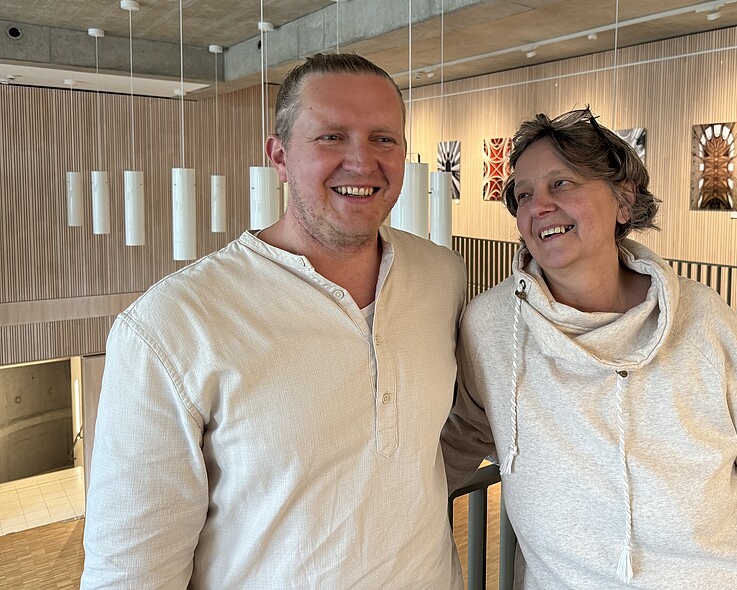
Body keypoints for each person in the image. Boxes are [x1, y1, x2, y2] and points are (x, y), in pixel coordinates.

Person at [82, 53, 466, 589]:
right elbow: (130, 571)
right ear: (279, 157)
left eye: (384, 139)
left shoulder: (442, 276)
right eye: (332, 137)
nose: (362, 161)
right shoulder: (171, 324)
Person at [442, 108, 737, 589]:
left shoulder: (700, 317)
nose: (539, 206)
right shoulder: (492, 328)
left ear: (624, 200)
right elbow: (453, 441)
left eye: (562, 184)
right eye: (523, 194)